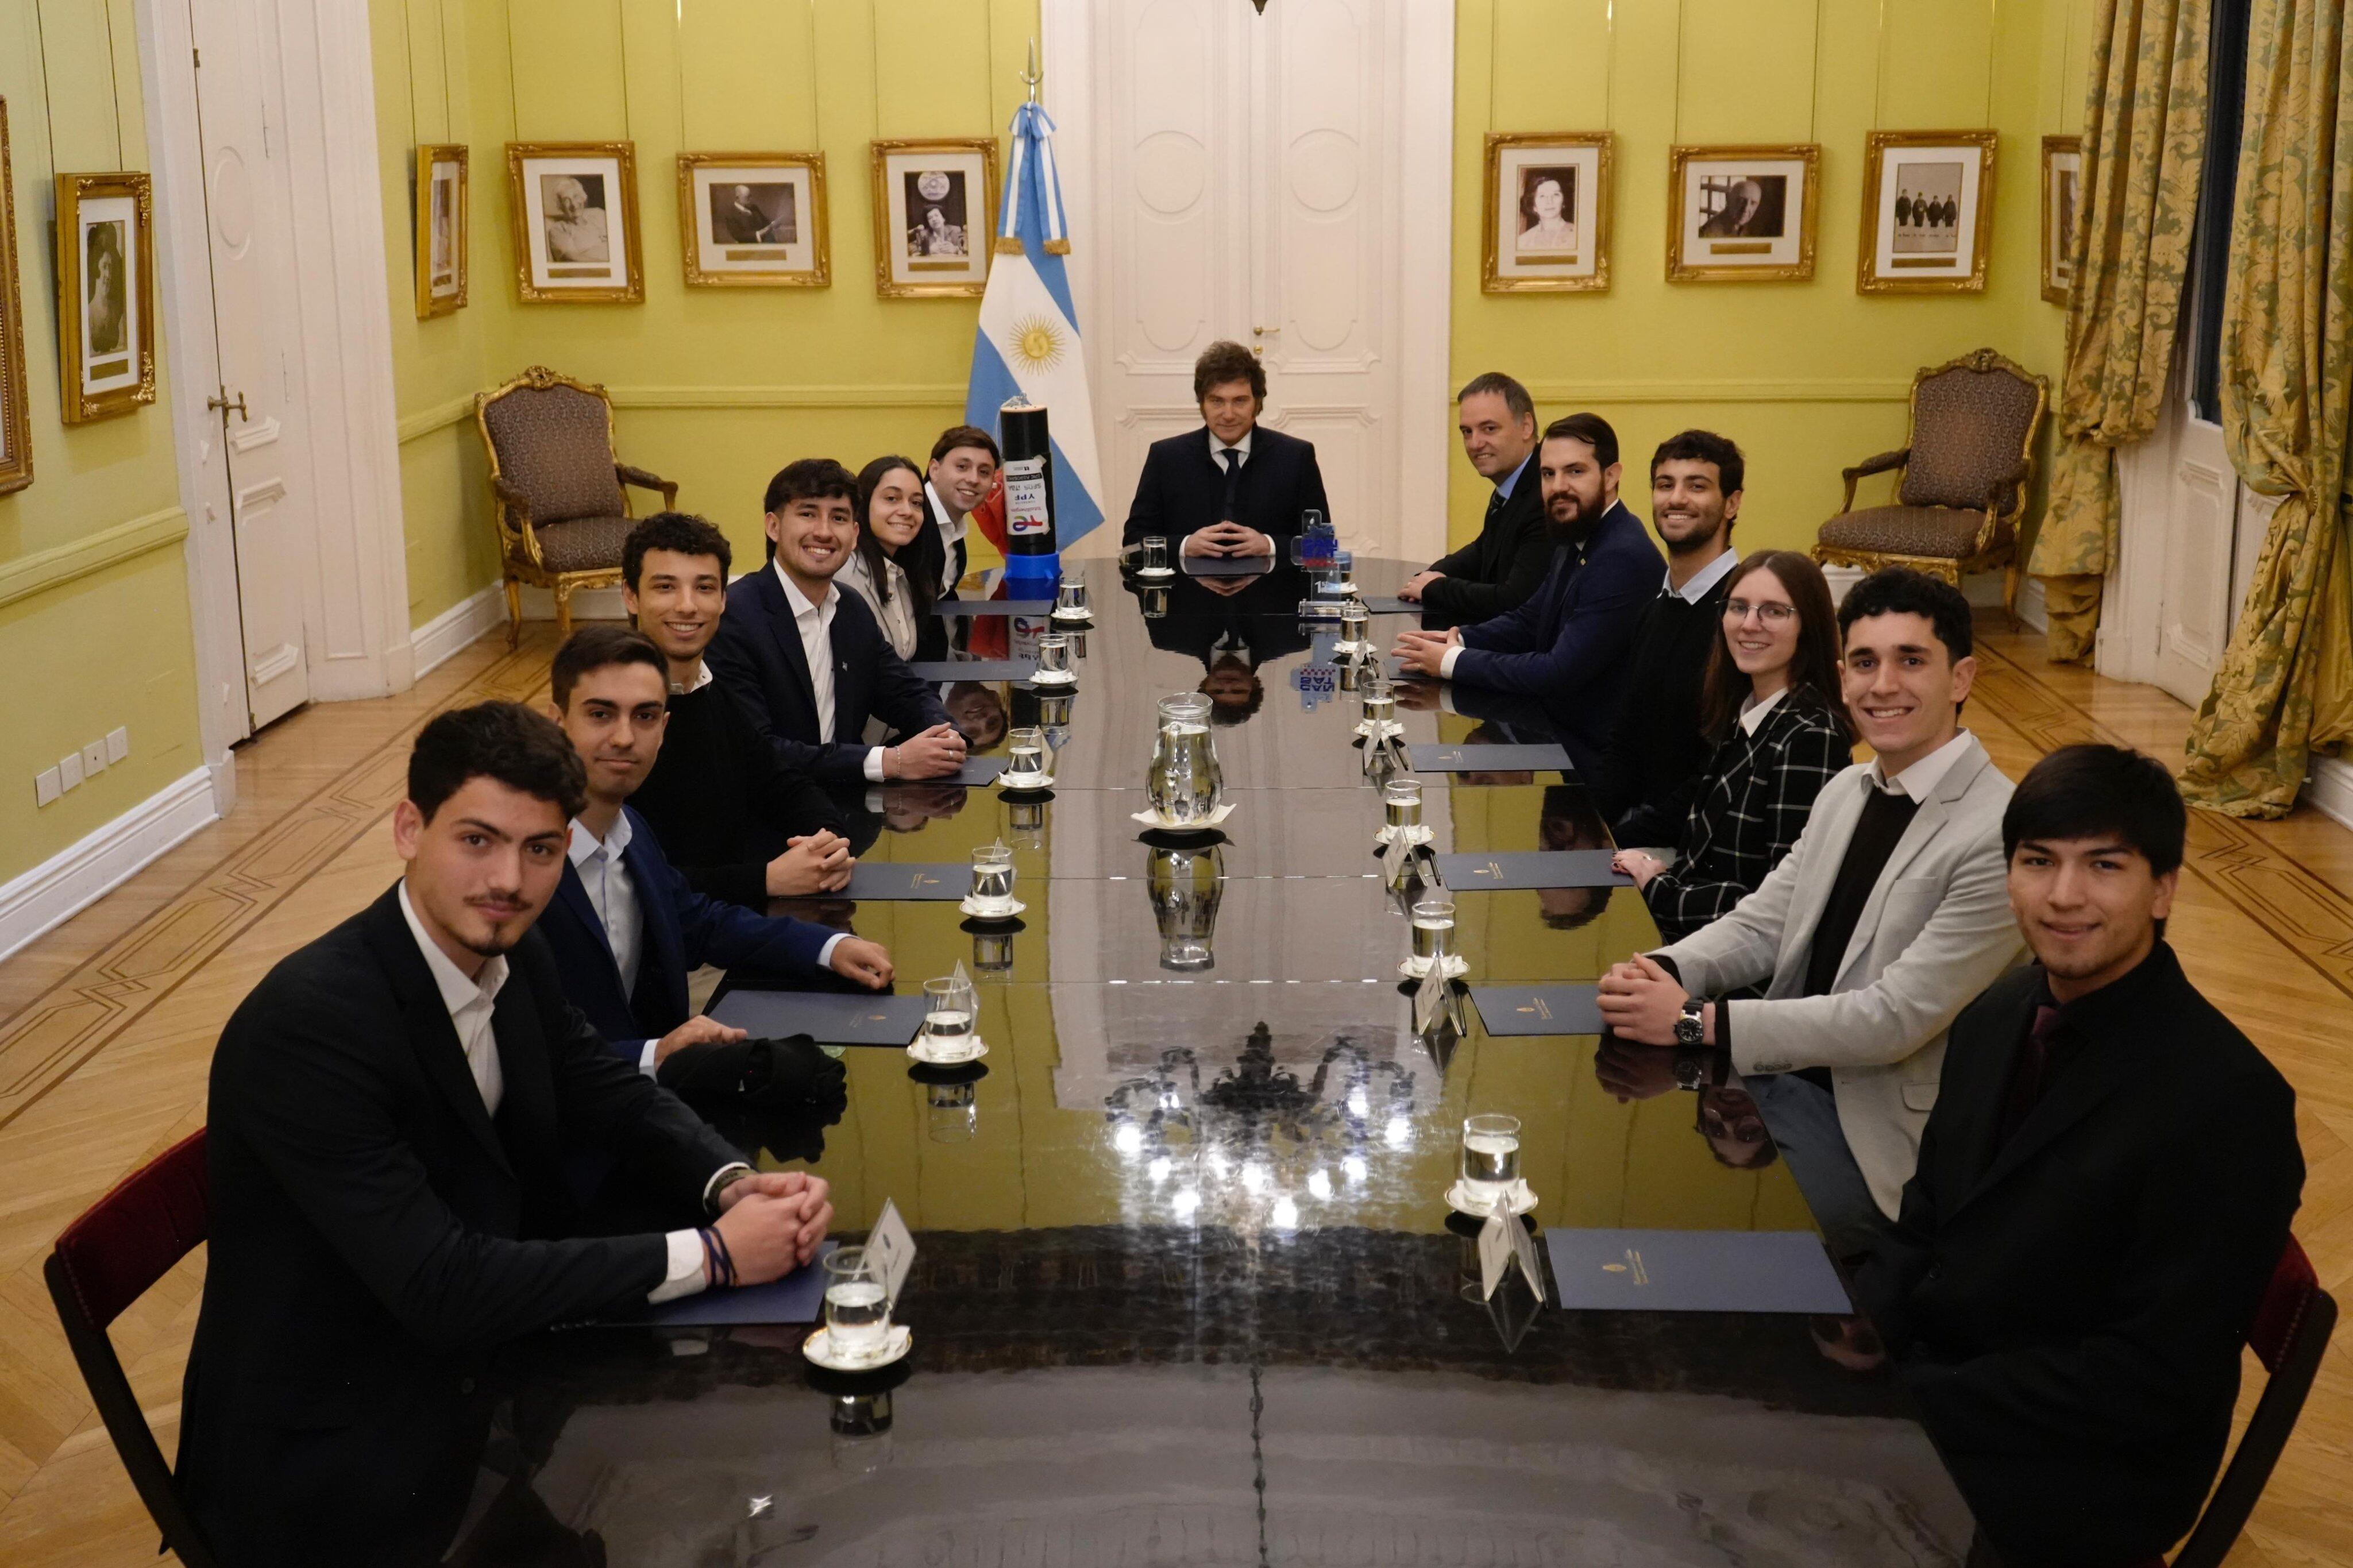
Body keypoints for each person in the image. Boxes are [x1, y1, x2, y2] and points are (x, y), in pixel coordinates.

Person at [176, 702, 833, 1567]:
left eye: (540, 850)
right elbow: (443, 1282)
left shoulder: (507, 952)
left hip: (473, 1370)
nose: (509, 881)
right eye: (477, 840)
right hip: (339, 1455)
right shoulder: (310, 1027)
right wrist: (712, 1254)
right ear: (409, 828)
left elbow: (603, 1086)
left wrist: (728, 1181)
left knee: (768, 1471)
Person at [1844, 745, 2302, 1568]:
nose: (2063, 896)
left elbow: (2151, 1376)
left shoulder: (2230, 1099)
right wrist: (1867, 1330)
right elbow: (1924, 1220)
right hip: (1961, 1379)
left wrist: (1911, 1398)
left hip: (2089, 1464)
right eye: (2038, 861)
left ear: (2163, 887)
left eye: (2104, 865)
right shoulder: (1998, 1012)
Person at [1595, 567, 2024, 1260]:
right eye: (1864, 662)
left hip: (1877, 1139)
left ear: (1962, 677)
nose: (1882, 684)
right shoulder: (1850, 788)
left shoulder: (1999, 832)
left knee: (1683, 1232)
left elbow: (1891, 1019)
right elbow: (1767, 919)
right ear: (1841, 675)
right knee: (1622, 1156)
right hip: (1783, 1086)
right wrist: (1662, 967)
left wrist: (1692, 1021)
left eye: (1910, 660)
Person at [539, 624, 893, 1080]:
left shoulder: (631, 830)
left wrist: (829, 946)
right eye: (601, 715)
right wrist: (654, 1056)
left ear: (663, 728)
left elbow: (700, 922)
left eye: (645, 716)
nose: (625, 738)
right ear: (557, 723)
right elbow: (525, 1051)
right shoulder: (523, 867)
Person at [1390, 414, 1660, 774]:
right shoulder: (1576, 531)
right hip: (1559, 738)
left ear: (1611, 476)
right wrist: (1459, 638)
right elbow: (1530, 619)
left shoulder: (1621, 555)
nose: (1558, 486)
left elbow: (1558, 671)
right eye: (1548, 474)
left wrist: (1452, 662)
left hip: (1596, 764)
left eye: (1575, 472)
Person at [1613, 551, 1853, 942]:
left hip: (1734, 966)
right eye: (1738, 607)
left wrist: (1659, 888)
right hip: (1692, 925)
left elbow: (1779, 904)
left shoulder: (1812, 738)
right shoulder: (1746, 709)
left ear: (1808, 625)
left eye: (1774, 611)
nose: (1749, 625)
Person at [618, 512, 855, 909]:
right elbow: (633, 880)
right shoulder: (620, 723)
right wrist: (766, 880)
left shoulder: (712, 691)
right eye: (665, 587)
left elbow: (782, 783)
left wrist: (827, 841)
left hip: (730, 918)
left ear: (724, 599)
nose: (688, 606)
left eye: (705, 588)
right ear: (630, 595)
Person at [708, 458, 966, 787]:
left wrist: (945, 734)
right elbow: (756, 750)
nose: (824, 532)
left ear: (855, 533)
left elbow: (902, 690)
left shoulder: (850, 607)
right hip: (767, 814)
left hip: (845, 809)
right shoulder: (735, 616)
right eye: (807, 514)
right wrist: (890, 761)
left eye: (839, 518)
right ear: (773, 526)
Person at [1584, 430, 1748, 844]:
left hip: (1694, 847)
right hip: (1638, 833)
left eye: (1697, 486)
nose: (1676, 499)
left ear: (1732, 503)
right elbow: (1625, 742)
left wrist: (1619, 843)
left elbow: (1718, 775)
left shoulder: (1745, 619)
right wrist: (1592, 828)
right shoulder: (1655, 611)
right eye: (1665, 485)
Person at [1121, 340, 1333, 561]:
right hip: (1186, 591)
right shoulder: (1165, 457)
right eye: (1217, 401)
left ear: (1257, 403)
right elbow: (1133, 544)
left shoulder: (1296, 457)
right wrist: (1185, 546)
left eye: (1240, 401)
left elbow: (1323, 546)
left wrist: (1269, 545)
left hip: (1271, 589)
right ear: (1202, 403)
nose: (1228, 414)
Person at [1398, 372, 1554, 629]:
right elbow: (1483, 550)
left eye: (1489, 429)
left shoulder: (1546, 492)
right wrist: (1430, 576)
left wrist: (1437, 587)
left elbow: (1513, 599)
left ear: (1526, 426)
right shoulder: (1515, 479)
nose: (1475, 443)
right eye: (1467, 432)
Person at [840, 455, 929, 659]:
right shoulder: (844, 574)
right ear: (863, 503)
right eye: (892, 499)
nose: (908, 511)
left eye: (917, 503)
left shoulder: (899, 574)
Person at [910, 426, 999, 609]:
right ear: (934, 470)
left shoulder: (953, 526)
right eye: (962, 467)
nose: (973, 479)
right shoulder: (910, 517)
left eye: (984, 472)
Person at [543, 175, 608, 264]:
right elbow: (572, 258)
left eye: (576, 197)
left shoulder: (598, 214)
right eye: (567, 200)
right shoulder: (559, 229)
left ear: (583, 198)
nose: (573, 204)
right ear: (560, 206)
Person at [1517, 175, 1577, 252]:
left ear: (1563, 203)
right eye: (1542, 196)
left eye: (1556, 195)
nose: (1550, 201)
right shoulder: (1523, 241)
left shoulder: (1578, 234)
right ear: (1533, 206)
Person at [1699, 179, 1765, 237]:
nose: (1746, 209)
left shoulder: (1749, 227)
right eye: (1741, 201)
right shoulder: (1709, 233)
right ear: (1728, 199)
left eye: (1753, 203)